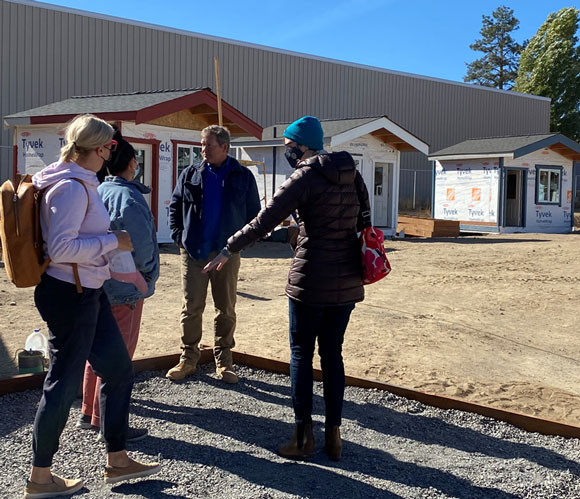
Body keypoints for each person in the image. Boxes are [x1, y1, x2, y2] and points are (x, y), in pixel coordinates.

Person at [204, 116, 370, 461]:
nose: (287, 152)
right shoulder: (354, 175)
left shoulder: (304, 176)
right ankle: (334, 438)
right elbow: (364, 224)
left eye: (288, 146)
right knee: (333, 354)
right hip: (347, 278)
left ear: (301, 145)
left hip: (310, 278)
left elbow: (264, 220)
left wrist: (228, 247)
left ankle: (302, 437)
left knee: (301, 354)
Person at [26, 115, 160, 498]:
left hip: (89, 293)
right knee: (62, 386)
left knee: (118, 371)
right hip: (72, 295)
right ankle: (40, 478)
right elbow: (62, 249)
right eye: (109, 148)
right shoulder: (70, 188)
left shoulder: (77, 181)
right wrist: (112, 242)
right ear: (98, 149)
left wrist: (118, 261)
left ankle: (117, 460)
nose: (109, 155)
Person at [77, 135, 160, 443]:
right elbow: (140, 247)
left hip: (99, 282)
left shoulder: (98, 190)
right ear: (132, 163)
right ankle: (106, 420)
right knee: (119, 357)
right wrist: (147, 279)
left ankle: (89, 411)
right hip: (125, 287)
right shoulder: (130, 198)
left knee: (97, 352)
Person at [166, 125, 261, 384]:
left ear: (225, 147)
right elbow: (175, 205)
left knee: (226, 308)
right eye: (201, 144)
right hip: (194, 252)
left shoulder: (242, 176)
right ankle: (188, 358)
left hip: (226, 254)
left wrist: (239, 246)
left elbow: (256, 215)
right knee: (191, 308)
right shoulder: (190, 173)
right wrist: (179, 239)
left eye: (208, 144)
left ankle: (225, 361)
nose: (202, 149)